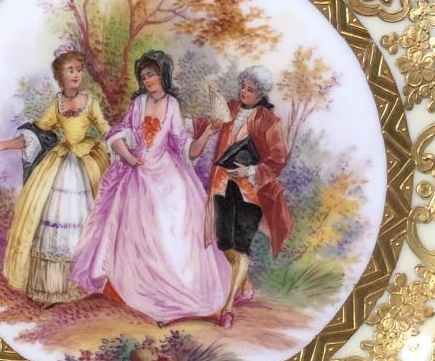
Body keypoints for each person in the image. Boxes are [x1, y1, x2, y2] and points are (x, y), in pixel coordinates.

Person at [71, 51, 231, 324]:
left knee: (174, 224)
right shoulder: (137, 104)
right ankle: (134, 288)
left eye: (152, 74)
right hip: (138, 171)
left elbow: (185, 147)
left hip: (168, 174)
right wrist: (130, 157)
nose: (148, 80)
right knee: (134, 225)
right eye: (144, 75)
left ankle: (175, 293)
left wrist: (207, 133)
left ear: (163, 75)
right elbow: (118, 133)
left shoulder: (172, 106)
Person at [0, 45, 110, 304]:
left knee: (87, 218)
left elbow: (106, 130)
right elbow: (37, 133)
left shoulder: (91, 102)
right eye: (70, 70)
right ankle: (54, 289)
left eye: (79, 70)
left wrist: (122, 148)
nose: (75, 75)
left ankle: (84, 284)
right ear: (60, 76)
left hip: (86, 161)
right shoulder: (56, 104)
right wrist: (5, 144)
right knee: (53, 217)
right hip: (61, 162)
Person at [190, 65, 295, 328]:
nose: (244, 92)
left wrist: (250, 170)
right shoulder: (231, 108)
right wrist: (200, 125)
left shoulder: (270, 122)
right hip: (223, 185)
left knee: (241, 245)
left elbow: (278, 159)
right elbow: (208, 122)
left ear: (260, 93)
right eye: (243, 87)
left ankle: (227, 308)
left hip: (251, 193)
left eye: (250, 89)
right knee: (224, 244)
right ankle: (245, 281)